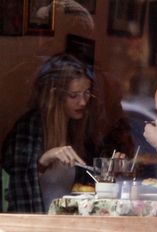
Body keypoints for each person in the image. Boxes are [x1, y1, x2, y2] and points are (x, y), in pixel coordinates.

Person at [1, 53, 134, 213]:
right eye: (74, 95)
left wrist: (111, 171)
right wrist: (44, 160)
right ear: (55, 95)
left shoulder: (78, 128)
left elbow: (88, 183)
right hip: (36, 224)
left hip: (69, 223)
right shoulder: (30, 127)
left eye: (87, 93)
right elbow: (14, 185)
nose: (83, 102)